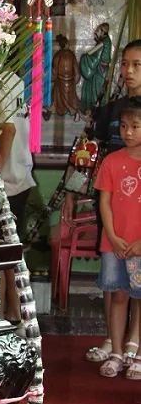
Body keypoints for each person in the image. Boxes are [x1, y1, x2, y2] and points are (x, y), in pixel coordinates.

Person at [84, 40, 141, 365]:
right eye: (124, 64)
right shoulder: (111, 109)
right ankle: (114, 339)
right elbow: (96, 154)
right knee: (113, 276)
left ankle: (135, 339)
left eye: (136, 64)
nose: (128, 71)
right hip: (112, 200)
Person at [93, 96, 141, 379]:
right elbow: (105, 203)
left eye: (135, 126)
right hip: (115, 245)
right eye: (124, 126)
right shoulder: (112, 161)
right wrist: (111, 235)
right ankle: (117, 353)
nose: (128, 132)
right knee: (119, 295)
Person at [0, 98, 35, 322]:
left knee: (1, 253)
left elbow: (8, 130)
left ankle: (4, 315)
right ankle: (12, 313)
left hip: (6, 183)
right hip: (18, 177)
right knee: (9, 252)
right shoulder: (18, 81)